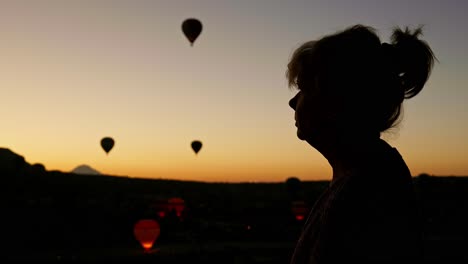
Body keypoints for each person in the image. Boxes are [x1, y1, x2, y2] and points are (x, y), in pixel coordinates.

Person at [286, 24, 436, 263]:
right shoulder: (370, 174)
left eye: (303, 89)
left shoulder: (362, 195)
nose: (293, 103)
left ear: (334, 101)